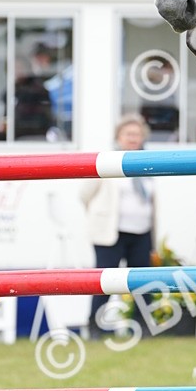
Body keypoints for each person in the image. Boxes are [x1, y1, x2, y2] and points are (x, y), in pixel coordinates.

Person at [80, 115, 156, 336]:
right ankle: (95, 326)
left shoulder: (150, 161)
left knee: (143, 282)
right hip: (110, 233)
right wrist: (99, 217)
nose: (133, 138)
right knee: (104, 281)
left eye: (137, 134)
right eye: (128, 134)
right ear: (118, 137)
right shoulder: (107, 160)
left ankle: (142, 327)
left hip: (142, 232)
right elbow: (85, 194)